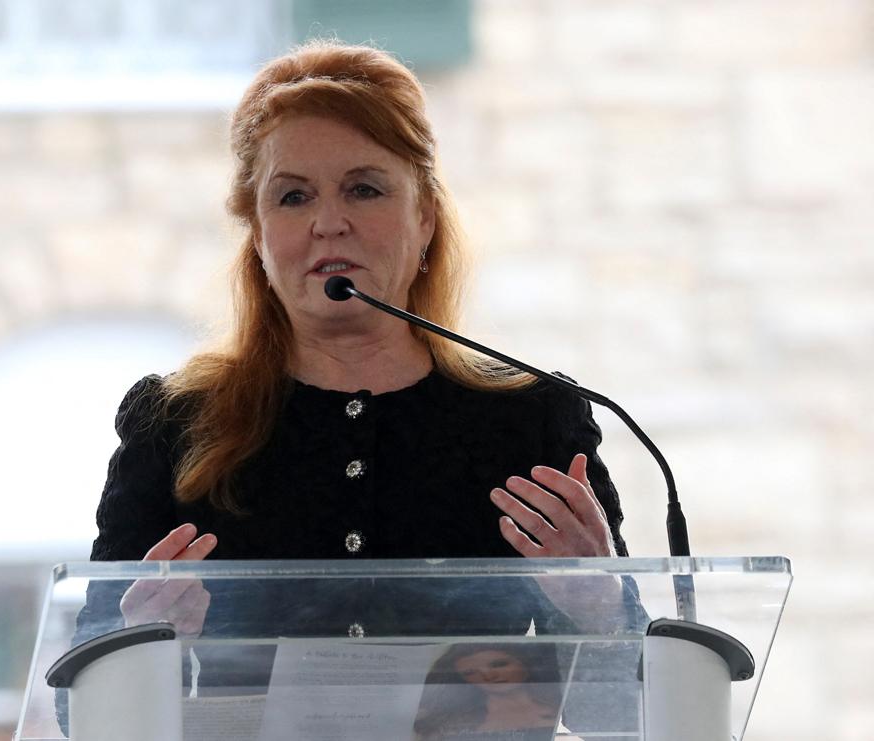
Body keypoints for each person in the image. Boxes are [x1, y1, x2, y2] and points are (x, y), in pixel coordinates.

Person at [80, 38, 632, 644]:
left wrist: (600, 607)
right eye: (293, 196)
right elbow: (79, 711)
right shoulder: (174, 422)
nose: (328, 222)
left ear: (424, 218)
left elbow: (620, 710)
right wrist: (138, 647)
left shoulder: (533, 417)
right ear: (259, 238)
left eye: (364, 188)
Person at [413, 643, 567, 740]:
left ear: (525, 664)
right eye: (471, 672)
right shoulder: (450, 722)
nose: (489, 676)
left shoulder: (565, 708)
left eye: (499, 664)